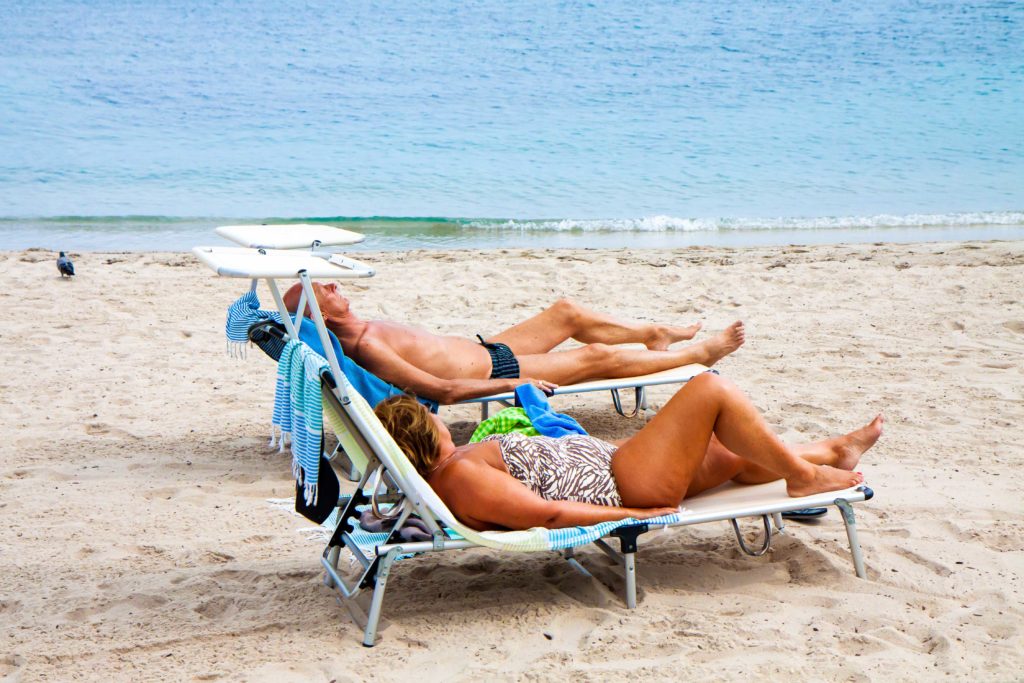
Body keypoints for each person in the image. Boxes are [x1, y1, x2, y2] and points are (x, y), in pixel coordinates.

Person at [374, 372, 882, 531]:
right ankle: (803, 477)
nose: (439, 416)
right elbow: (544, 513)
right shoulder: (458, 476)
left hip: (617, 464)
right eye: (430, 415)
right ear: (423, 432)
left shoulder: (452, 466)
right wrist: (633, 516)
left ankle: (829, 452)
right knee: (709, 390)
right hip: (625, 482)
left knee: (726, 449)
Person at [283, 281, 745, 403]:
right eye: (325, 289)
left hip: (487, 349)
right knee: (594, 357)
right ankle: (697, 355)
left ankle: (654, 334)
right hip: (498, 371)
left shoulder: (362, 322)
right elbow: (439, 391)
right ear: (322, 314)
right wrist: (507, 389)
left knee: (566, 311)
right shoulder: (363, 344)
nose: (334, 287)